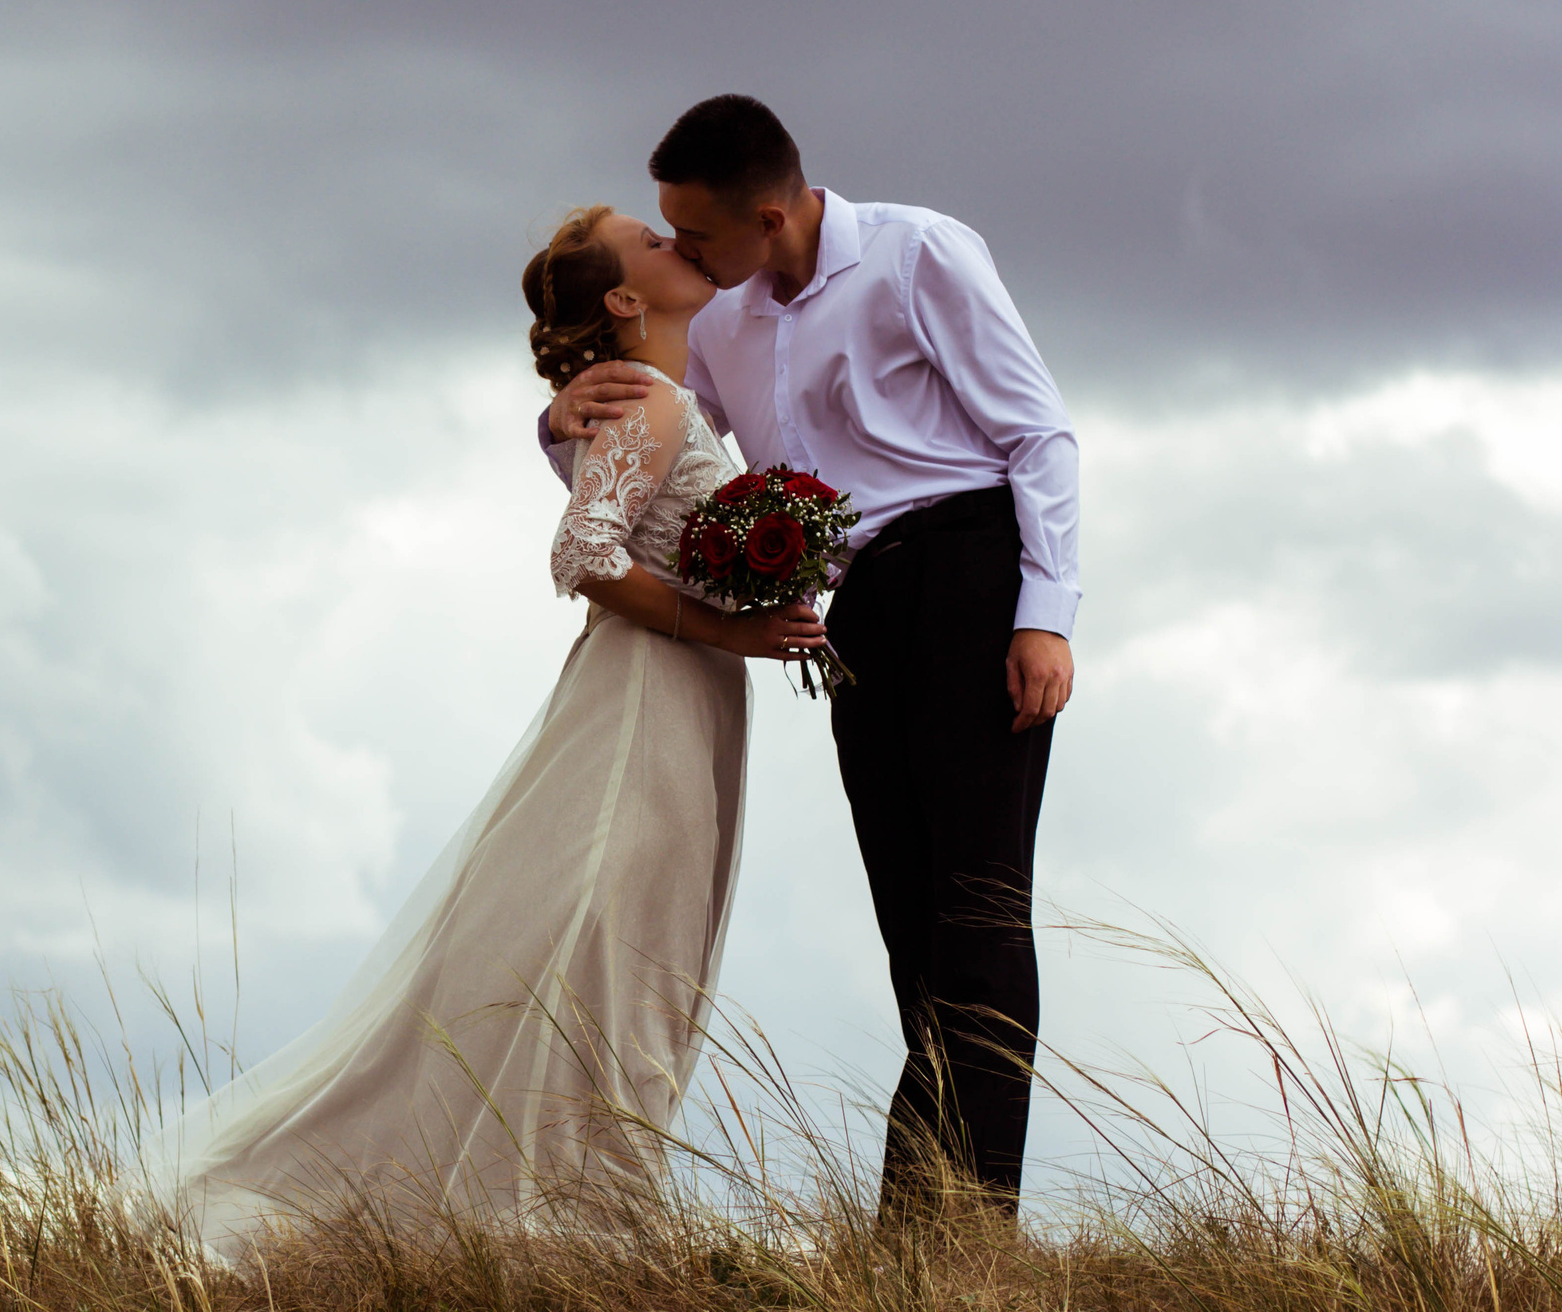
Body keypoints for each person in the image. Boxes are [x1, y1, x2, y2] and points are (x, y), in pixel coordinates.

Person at [134, 206, 825, 1254]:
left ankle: (582, 1197)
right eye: (650, 239)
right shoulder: (647, 403)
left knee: (645, 939)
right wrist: (727, 625)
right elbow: (582, 555)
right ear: (625, 301)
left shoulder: (679, 399)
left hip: (691, 696)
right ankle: (573, 1214)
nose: (676, 239)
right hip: (643, 696)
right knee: (604, 936)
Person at [543, 95, 1078, 1218]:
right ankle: (924, 1225)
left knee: (977, 907)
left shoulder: (918, 251)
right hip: (857, 614)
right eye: (669, 236)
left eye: (695, 237)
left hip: (971, 573)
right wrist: (558, 424)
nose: (682, 253)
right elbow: (676, 466)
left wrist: (1044, 616)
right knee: (908, 922)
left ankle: (966, 1222)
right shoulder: (725, 326)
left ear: (770, 214)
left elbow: (1036, 433)